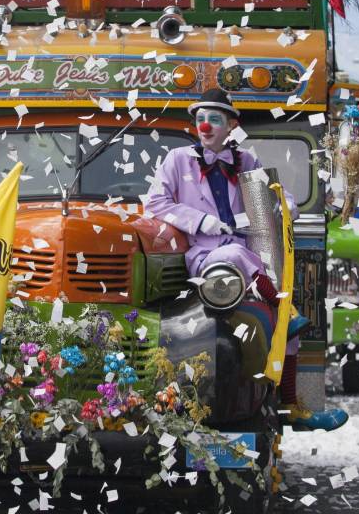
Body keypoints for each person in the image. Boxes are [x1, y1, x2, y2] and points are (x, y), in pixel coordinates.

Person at [145, 88, 348, 431]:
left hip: (247, 268)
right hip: (205, 259)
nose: (205, 126)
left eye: (214, 119)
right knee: (242, 260)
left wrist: (280, 208)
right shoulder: (178, 159)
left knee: (288, 334)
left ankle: (294, 409)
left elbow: (278, 199)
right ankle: (289, 309)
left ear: (231, 125)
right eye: (200, 119)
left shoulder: (247, 161)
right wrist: (200, 220)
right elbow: (155, 203)